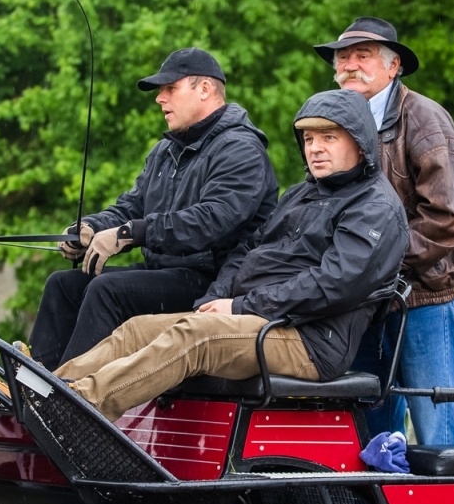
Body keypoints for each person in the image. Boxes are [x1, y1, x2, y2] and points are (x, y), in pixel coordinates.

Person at [54, 89, 406, 420]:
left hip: (309, 340)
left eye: (329, 137)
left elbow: (333, 284)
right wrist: (215, 298)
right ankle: (47, 390)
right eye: (309, 139)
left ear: (360, 144)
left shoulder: (375, 208)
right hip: (260, 318)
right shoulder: (302, 194)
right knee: (137, 329)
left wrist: (240, 307)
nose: (315, 148)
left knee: (197, 337)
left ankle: (83, 405)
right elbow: (249, 249)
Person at [28, 47, 278, 368]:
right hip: (165, 274)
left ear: (205, 89)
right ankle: (33, 382)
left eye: (170, 88)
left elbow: (210, 221)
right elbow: (131, 206)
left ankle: (70, 395)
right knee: (63, 285)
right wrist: (91, 228)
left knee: (108, 290)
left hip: (213, 284)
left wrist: (132, 233)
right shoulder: (165, 151)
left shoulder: (241, 149)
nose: (160, 99)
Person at [312, 17, 454, 445]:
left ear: (393, 65)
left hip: (425, 296)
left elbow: (448, 216)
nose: (349, 66)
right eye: (342, 58)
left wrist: (379, 264)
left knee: (437, 428)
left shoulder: (424, 117)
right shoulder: (336, 123)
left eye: (362, 56)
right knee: (370, 430)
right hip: (365, 300)